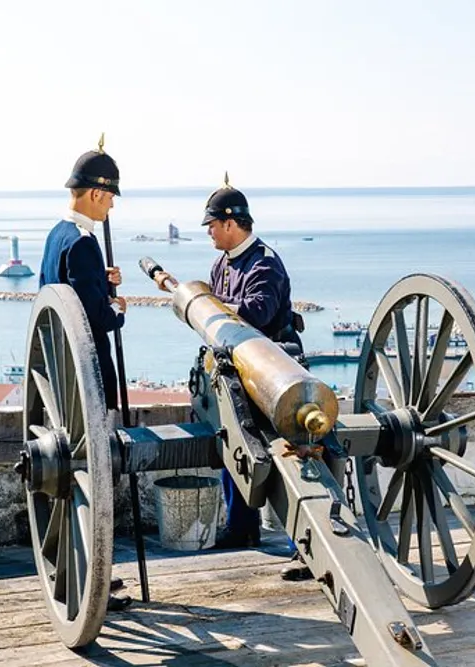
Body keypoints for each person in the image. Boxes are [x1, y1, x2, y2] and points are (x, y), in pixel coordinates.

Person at [153, 176, 312, 580]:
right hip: (235, 374)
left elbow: (256, 315)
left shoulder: (264, 263)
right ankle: (242, 527)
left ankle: (306, 546)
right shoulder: (222, 263)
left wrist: (214, 303)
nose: (208, 233)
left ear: (230, 223)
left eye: (211, 226)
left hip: (274, 371)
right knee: (232, 447)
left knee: (292, 457)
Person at [38, 140, 133, 610]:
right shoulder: (83, 243)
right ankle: (95, 579)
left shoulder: (57, 235)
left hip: (60, 380)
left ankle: (80, 573)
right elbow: (92, 319)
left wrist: (102, 281)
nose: (112, 203)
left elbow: (67, 295)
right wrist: (116, 308)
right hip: (88, 386)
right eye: (111, 195)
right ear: (96, 193)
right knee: (99, 482)